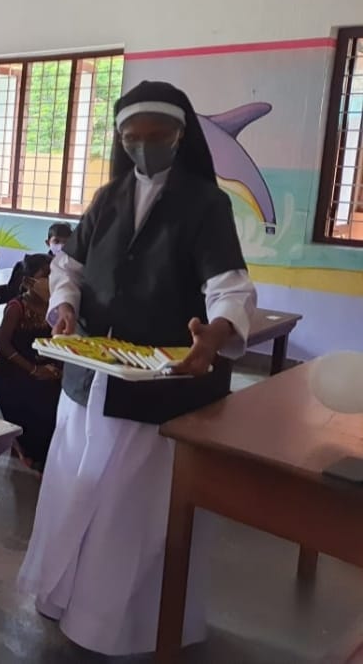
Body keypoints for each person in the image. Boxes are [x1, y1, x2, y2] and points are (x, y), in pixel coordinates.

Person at [18, 81, 257, 656]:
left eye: (158, 135)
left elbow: (230, 287)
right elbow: (68, 266)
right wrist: (64, 306)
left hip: (158, 389)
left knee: (129, 518)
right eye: (132, 137)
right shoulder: (109, 197)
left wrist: (215, 334)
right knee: (75, 495)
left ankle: (118, 626)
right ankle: (62, 599)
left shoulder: (206, 204)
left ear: (181, 136)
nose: (144, 147)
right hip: (93, 376)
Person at [0, 253, 59, 472]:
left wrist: (55, 369)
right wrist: (34, 369)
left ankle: (45, 455)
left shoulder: (55, 307)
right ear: (29, 281)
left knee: (58, 400)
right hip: (14, 370)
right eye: (45, 275)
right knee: (36, 404)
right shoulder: (17, 307)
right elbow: (3, 344)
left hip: (43, 367)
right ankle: (30, 452)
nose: (50, 281)